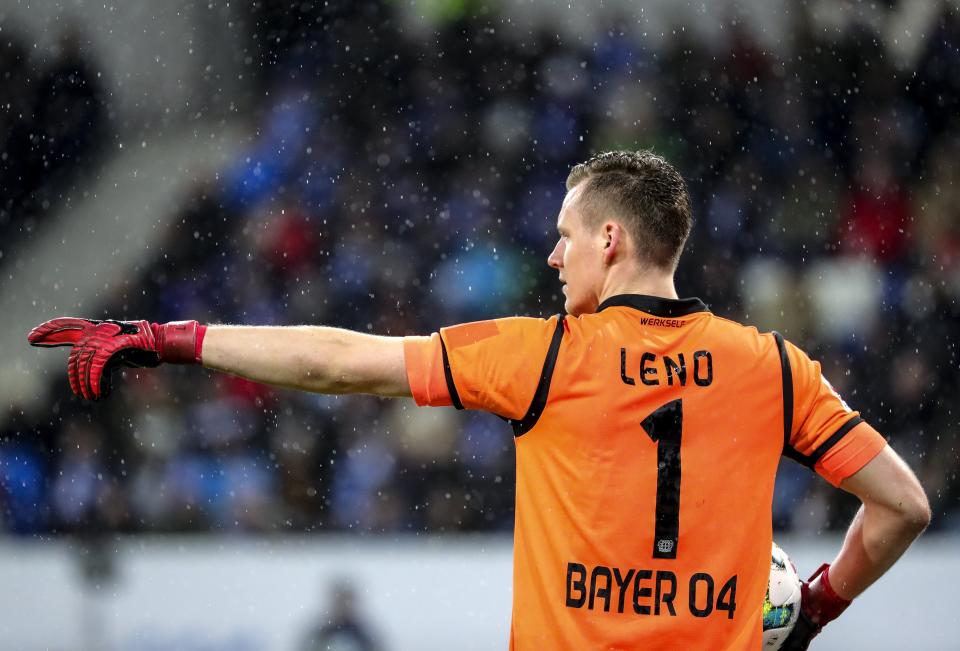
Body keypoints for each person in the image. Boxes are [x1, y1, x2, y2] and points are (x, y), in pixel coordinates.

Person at [29, 150, 930, 650]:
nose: (553, 257)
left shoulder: (541, 358)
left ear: (610, 240)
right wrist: (814, 608)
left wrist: (170, 339)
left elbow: (341, 363)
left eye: (565, 236)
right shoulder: (773, 365)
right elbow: (901, 505)